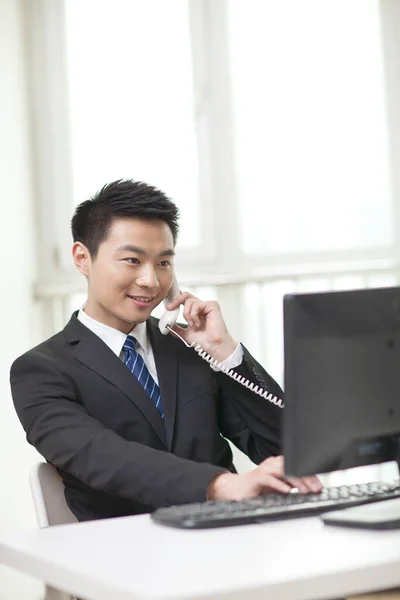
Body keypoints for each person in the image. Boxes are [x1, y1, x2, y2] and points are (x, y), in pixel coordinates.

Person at [10, 179, 321, 522]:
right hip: (123, 554)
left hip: (229, 541)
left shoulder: (189, 349)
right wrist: (220, 485)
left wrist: (225, 353)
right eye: (132, 260)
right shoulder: (40, 370)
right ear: (83, 258)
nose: (151, 281)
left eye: (163, 263)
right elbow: (103, 457)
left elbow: (287, 449)